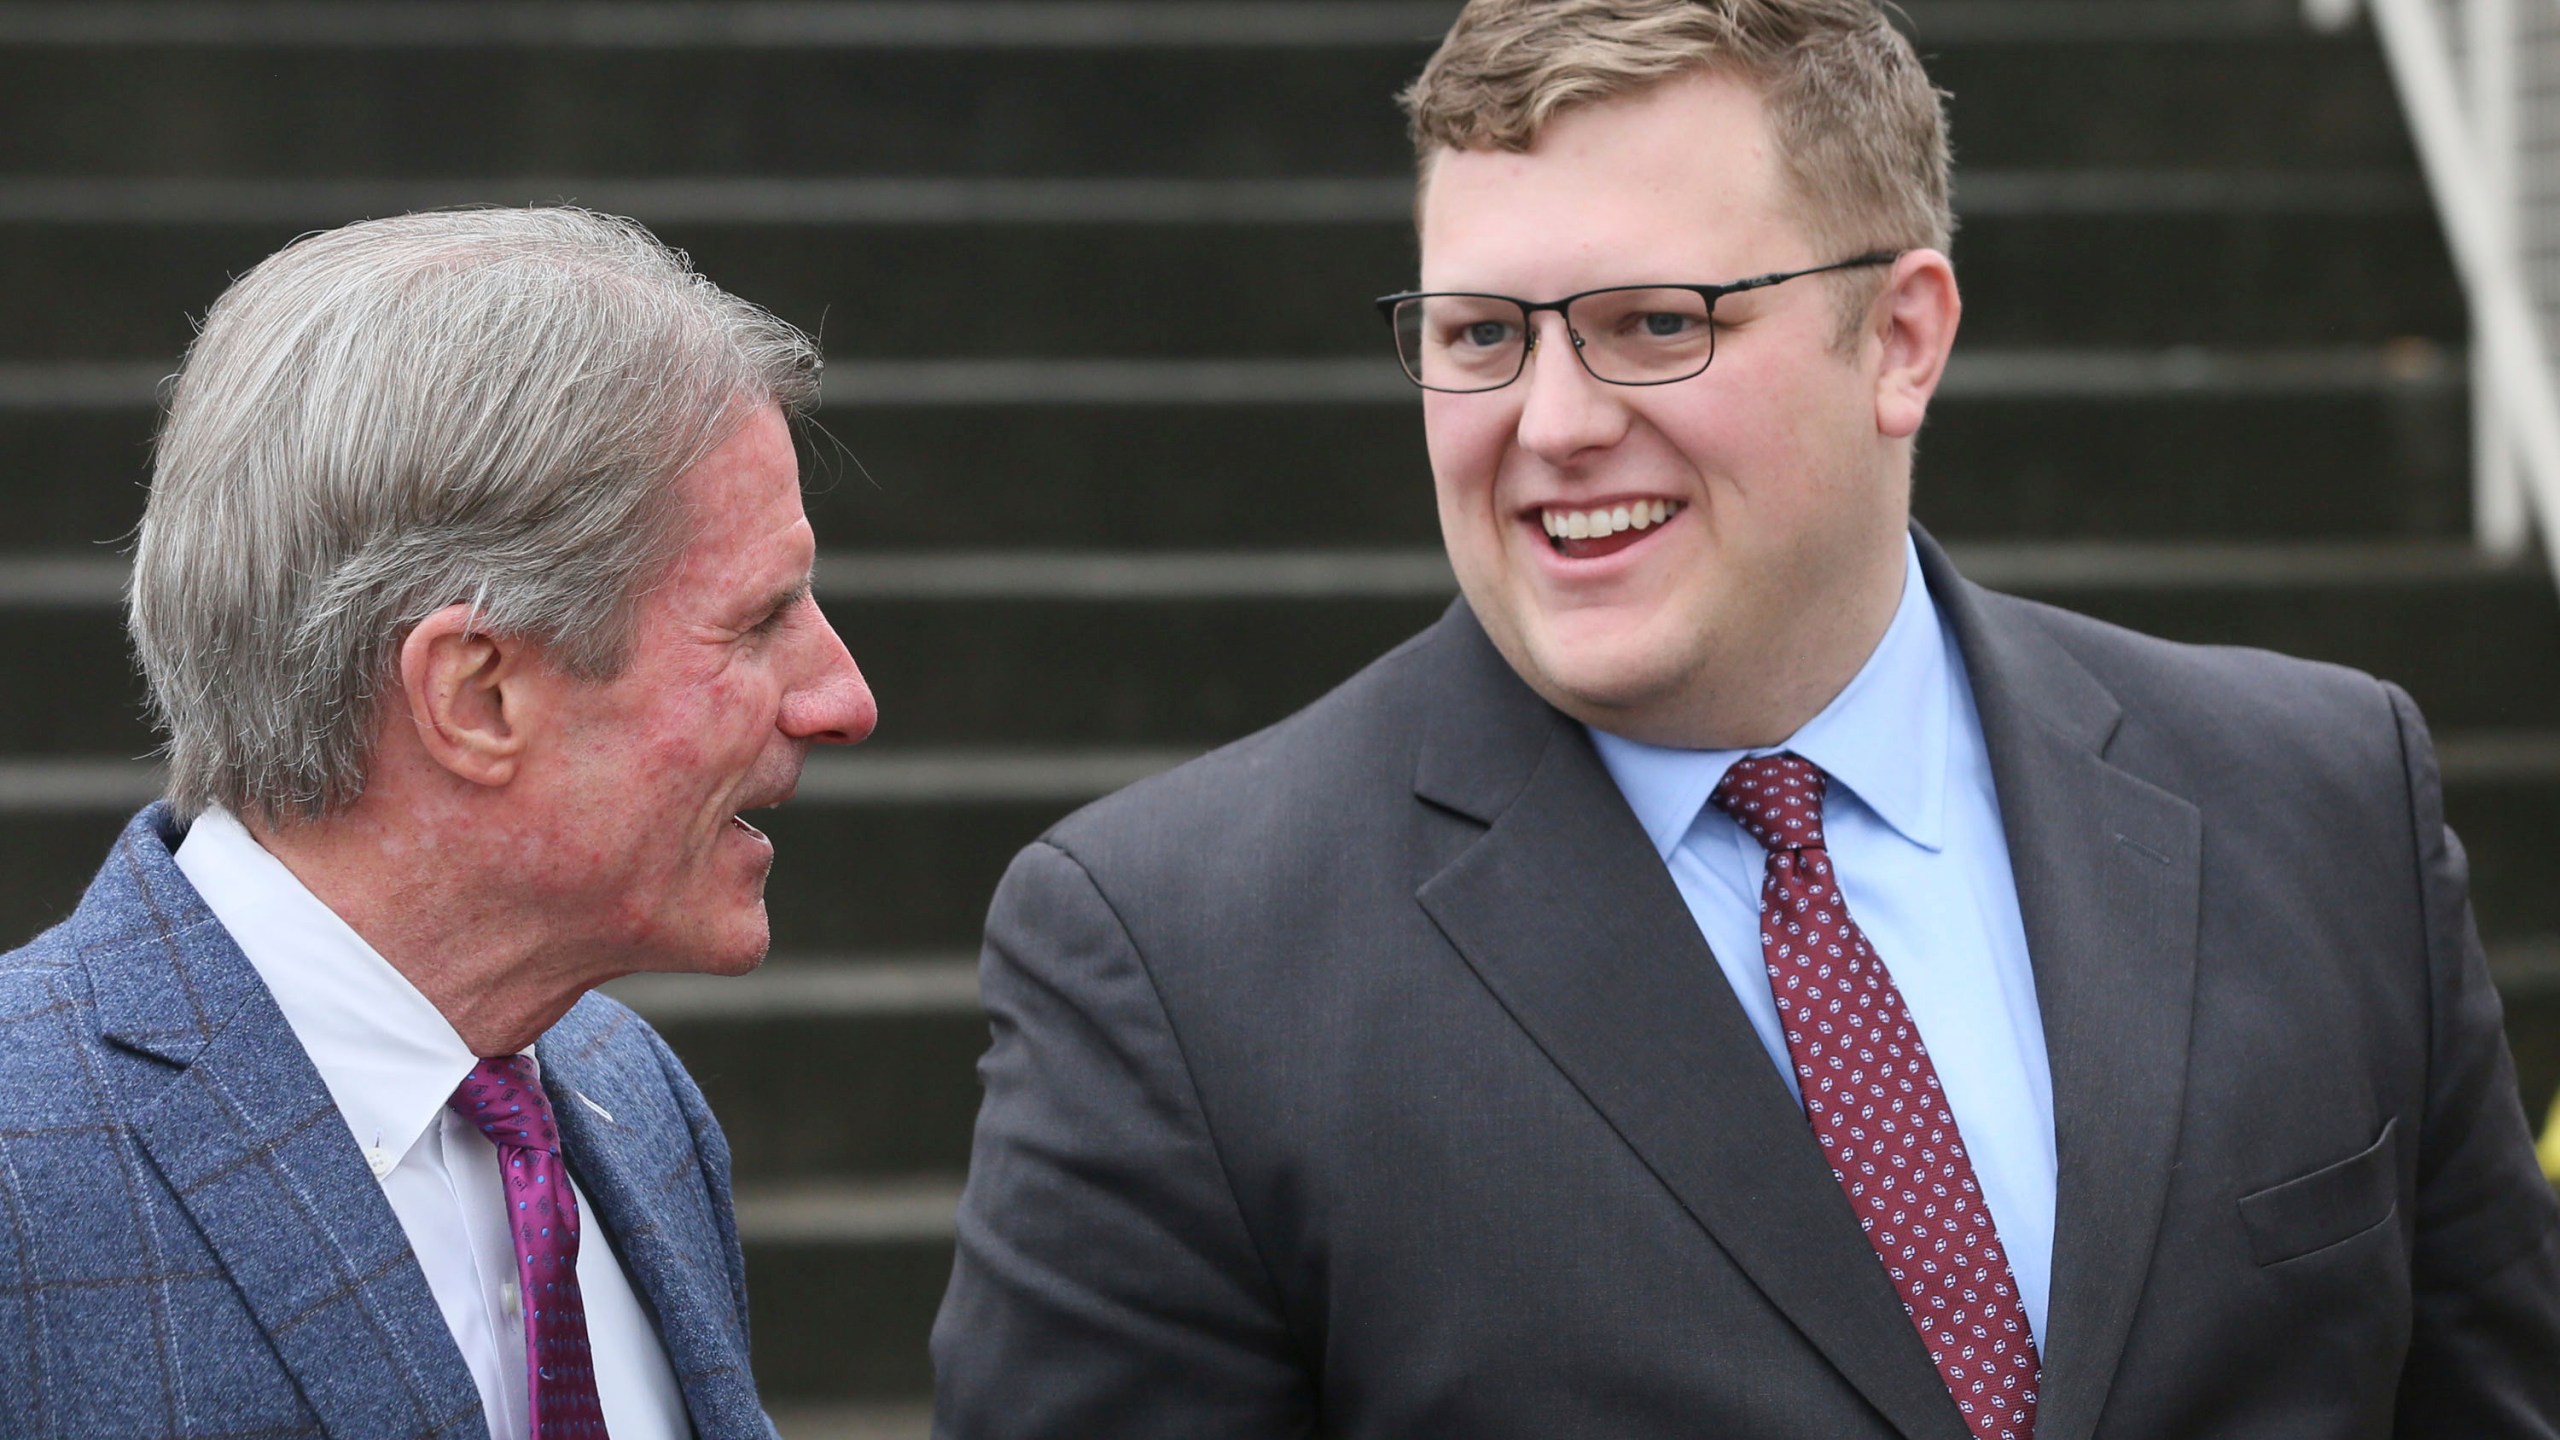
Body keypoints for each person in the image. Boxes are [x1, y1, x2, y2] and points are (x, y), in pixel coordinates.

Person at [930, 1, 2560, 1435]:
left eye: (1656, 322)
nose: (1553, 426)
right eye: (1482, 335)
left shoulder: (2324, 800)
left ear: (1903, 339)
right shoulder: (1180, 959)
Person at [0, 207, 873, 1439]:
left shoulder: (632, 1098)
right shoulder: (23, 1162)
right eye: (757, 621)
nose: (842, 699)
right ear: (476, 695)